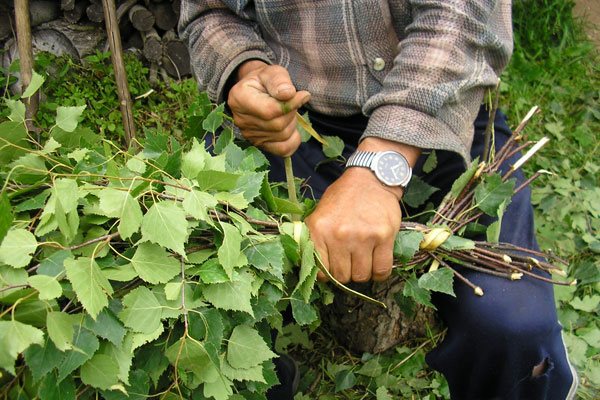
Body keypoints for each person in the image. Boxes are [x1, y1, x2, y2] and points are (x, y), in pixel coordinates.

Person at [179, 1, 578, 398]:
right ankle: (259, 377)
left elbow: (459, 19)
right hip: (294, 126)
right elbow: (209, 13)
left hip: (446, 107)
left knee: (512, 325)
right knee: (202, 289)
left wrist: (379, 168)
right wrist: (248, 72)